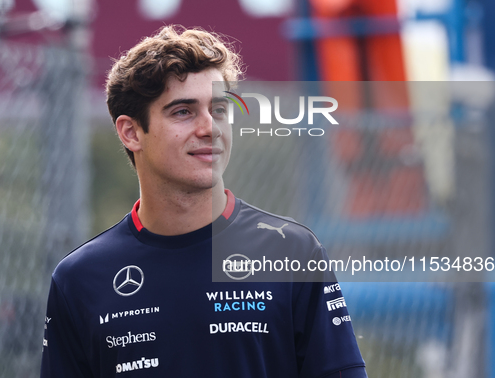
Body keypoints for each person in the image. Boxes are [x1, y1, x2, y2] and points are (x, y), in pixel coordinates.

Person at [40, 25, 367, 377]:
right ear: (131, 132)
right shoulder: (79, 279)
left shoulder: (292, 252)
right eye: (183, 111)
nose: (209, 127)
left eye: (220, 110)